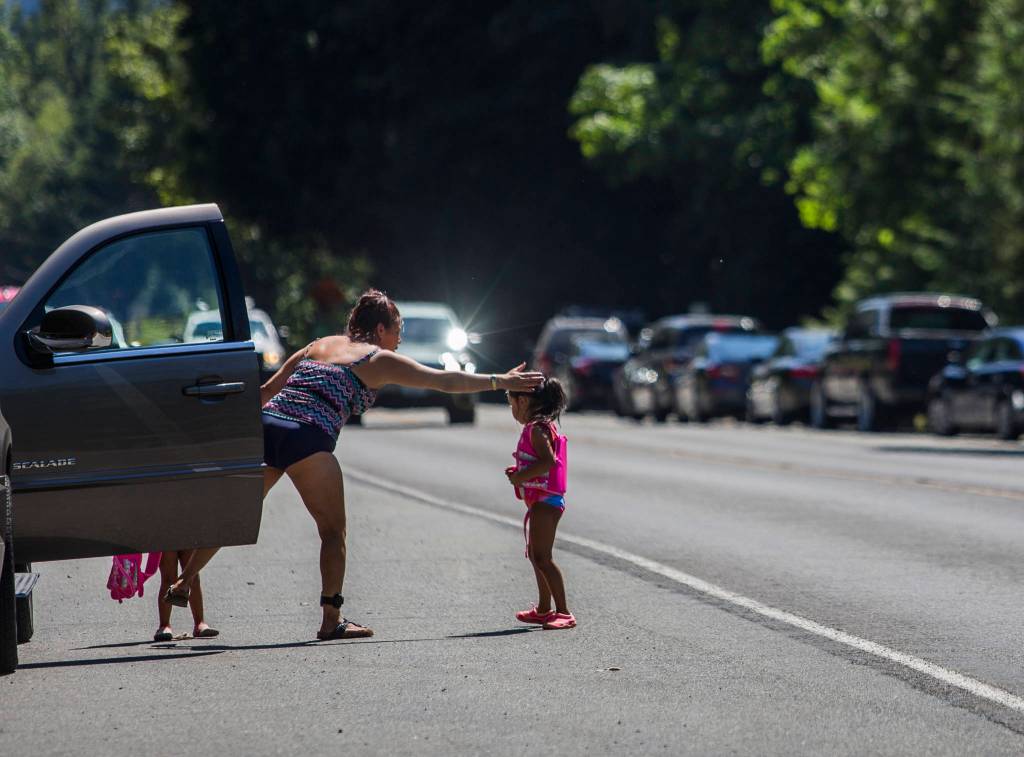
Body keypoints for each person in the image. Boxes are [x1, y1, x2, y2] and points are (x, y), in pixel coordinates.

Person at [165, 289, 544, 640]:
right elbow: (444, 380)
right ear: (381, 329)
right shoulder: (376, 358)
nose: (399, 340)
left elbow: (265, 392)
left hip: (267, 427)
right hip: (307, 437)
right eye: (398, 331)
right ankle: (331, 621)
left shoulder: (318, 345)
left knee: (235, 516)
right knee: (333, 532)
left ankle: (184, 581)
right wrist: (500, 380)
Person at [505, 378, 576, 630]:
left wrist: (519, 477)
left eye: (511, 404)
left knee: (543, 557)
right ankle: (544, 609)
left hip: (547, 502)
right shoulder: (538, 428)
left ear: (522, 401)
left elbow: (548, 461)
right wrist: (520, 471)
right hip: (541, 501)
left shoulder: (537, 429)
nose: (512, 411)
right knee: (535, 555)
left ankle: (564, 612)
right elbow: (537, 463)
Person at [154, 550, 218, 641]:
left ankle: (200, 623)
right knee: (168, 578)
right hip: (165, 537)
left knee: (193, 577)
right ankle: (164, 625)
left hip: (188, 537)